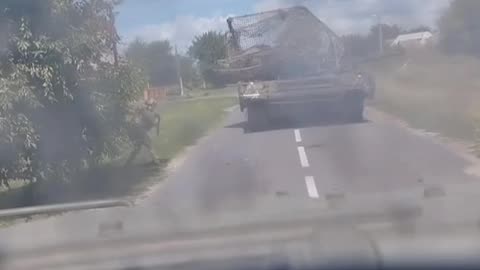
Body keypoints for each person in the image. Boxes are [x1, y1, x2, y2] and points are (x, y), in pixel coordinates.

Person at [125, 101, 161, 166]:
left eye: (153, 105)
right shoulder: (145, 111)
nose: (150, 107)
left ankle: (128, 163)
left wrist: (157, 130)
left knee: (137, 148)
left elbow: (157, 123)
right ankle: (156, 162)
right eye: (150, 105)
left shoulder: (154, 114)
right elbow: (137, 111)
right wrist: (133, 118)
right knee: (149, 146)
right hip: (141, 131)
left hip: (140, 131)